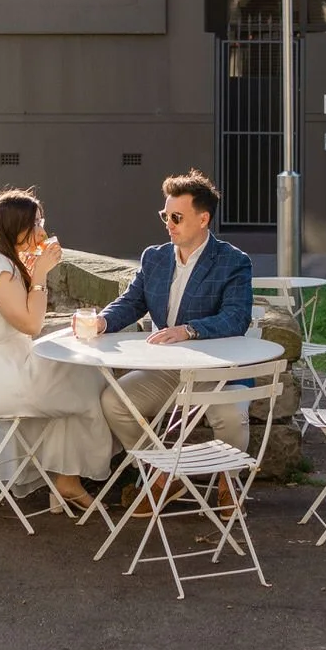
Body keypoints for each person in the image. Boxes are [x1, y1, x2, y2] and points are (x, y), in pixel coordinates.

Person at [75, 170, 254, 494]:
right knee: (116, 402)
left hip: (218, 367)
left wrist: (189, 330)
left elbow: (237, 317)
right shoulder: (154, 257)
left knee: (230, 415)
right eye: (165, 215)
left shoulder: (233, 262)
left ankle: (229, 482)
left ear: (203, 219)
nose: (168, 223)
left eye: (176, 216)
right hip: (168, 368)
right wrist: (102, 321)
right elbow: (132, 301)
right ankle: (162, 475)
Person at [0, 189, 112, 511]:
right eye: (35, 222)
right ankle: (68, 479)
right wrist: (40, 275)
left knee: (76, 381)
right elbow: (31, 325)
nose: (42, 230)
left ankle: (67, 482)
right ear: (15, 228)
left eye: (42, 221)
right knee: (88, 384)